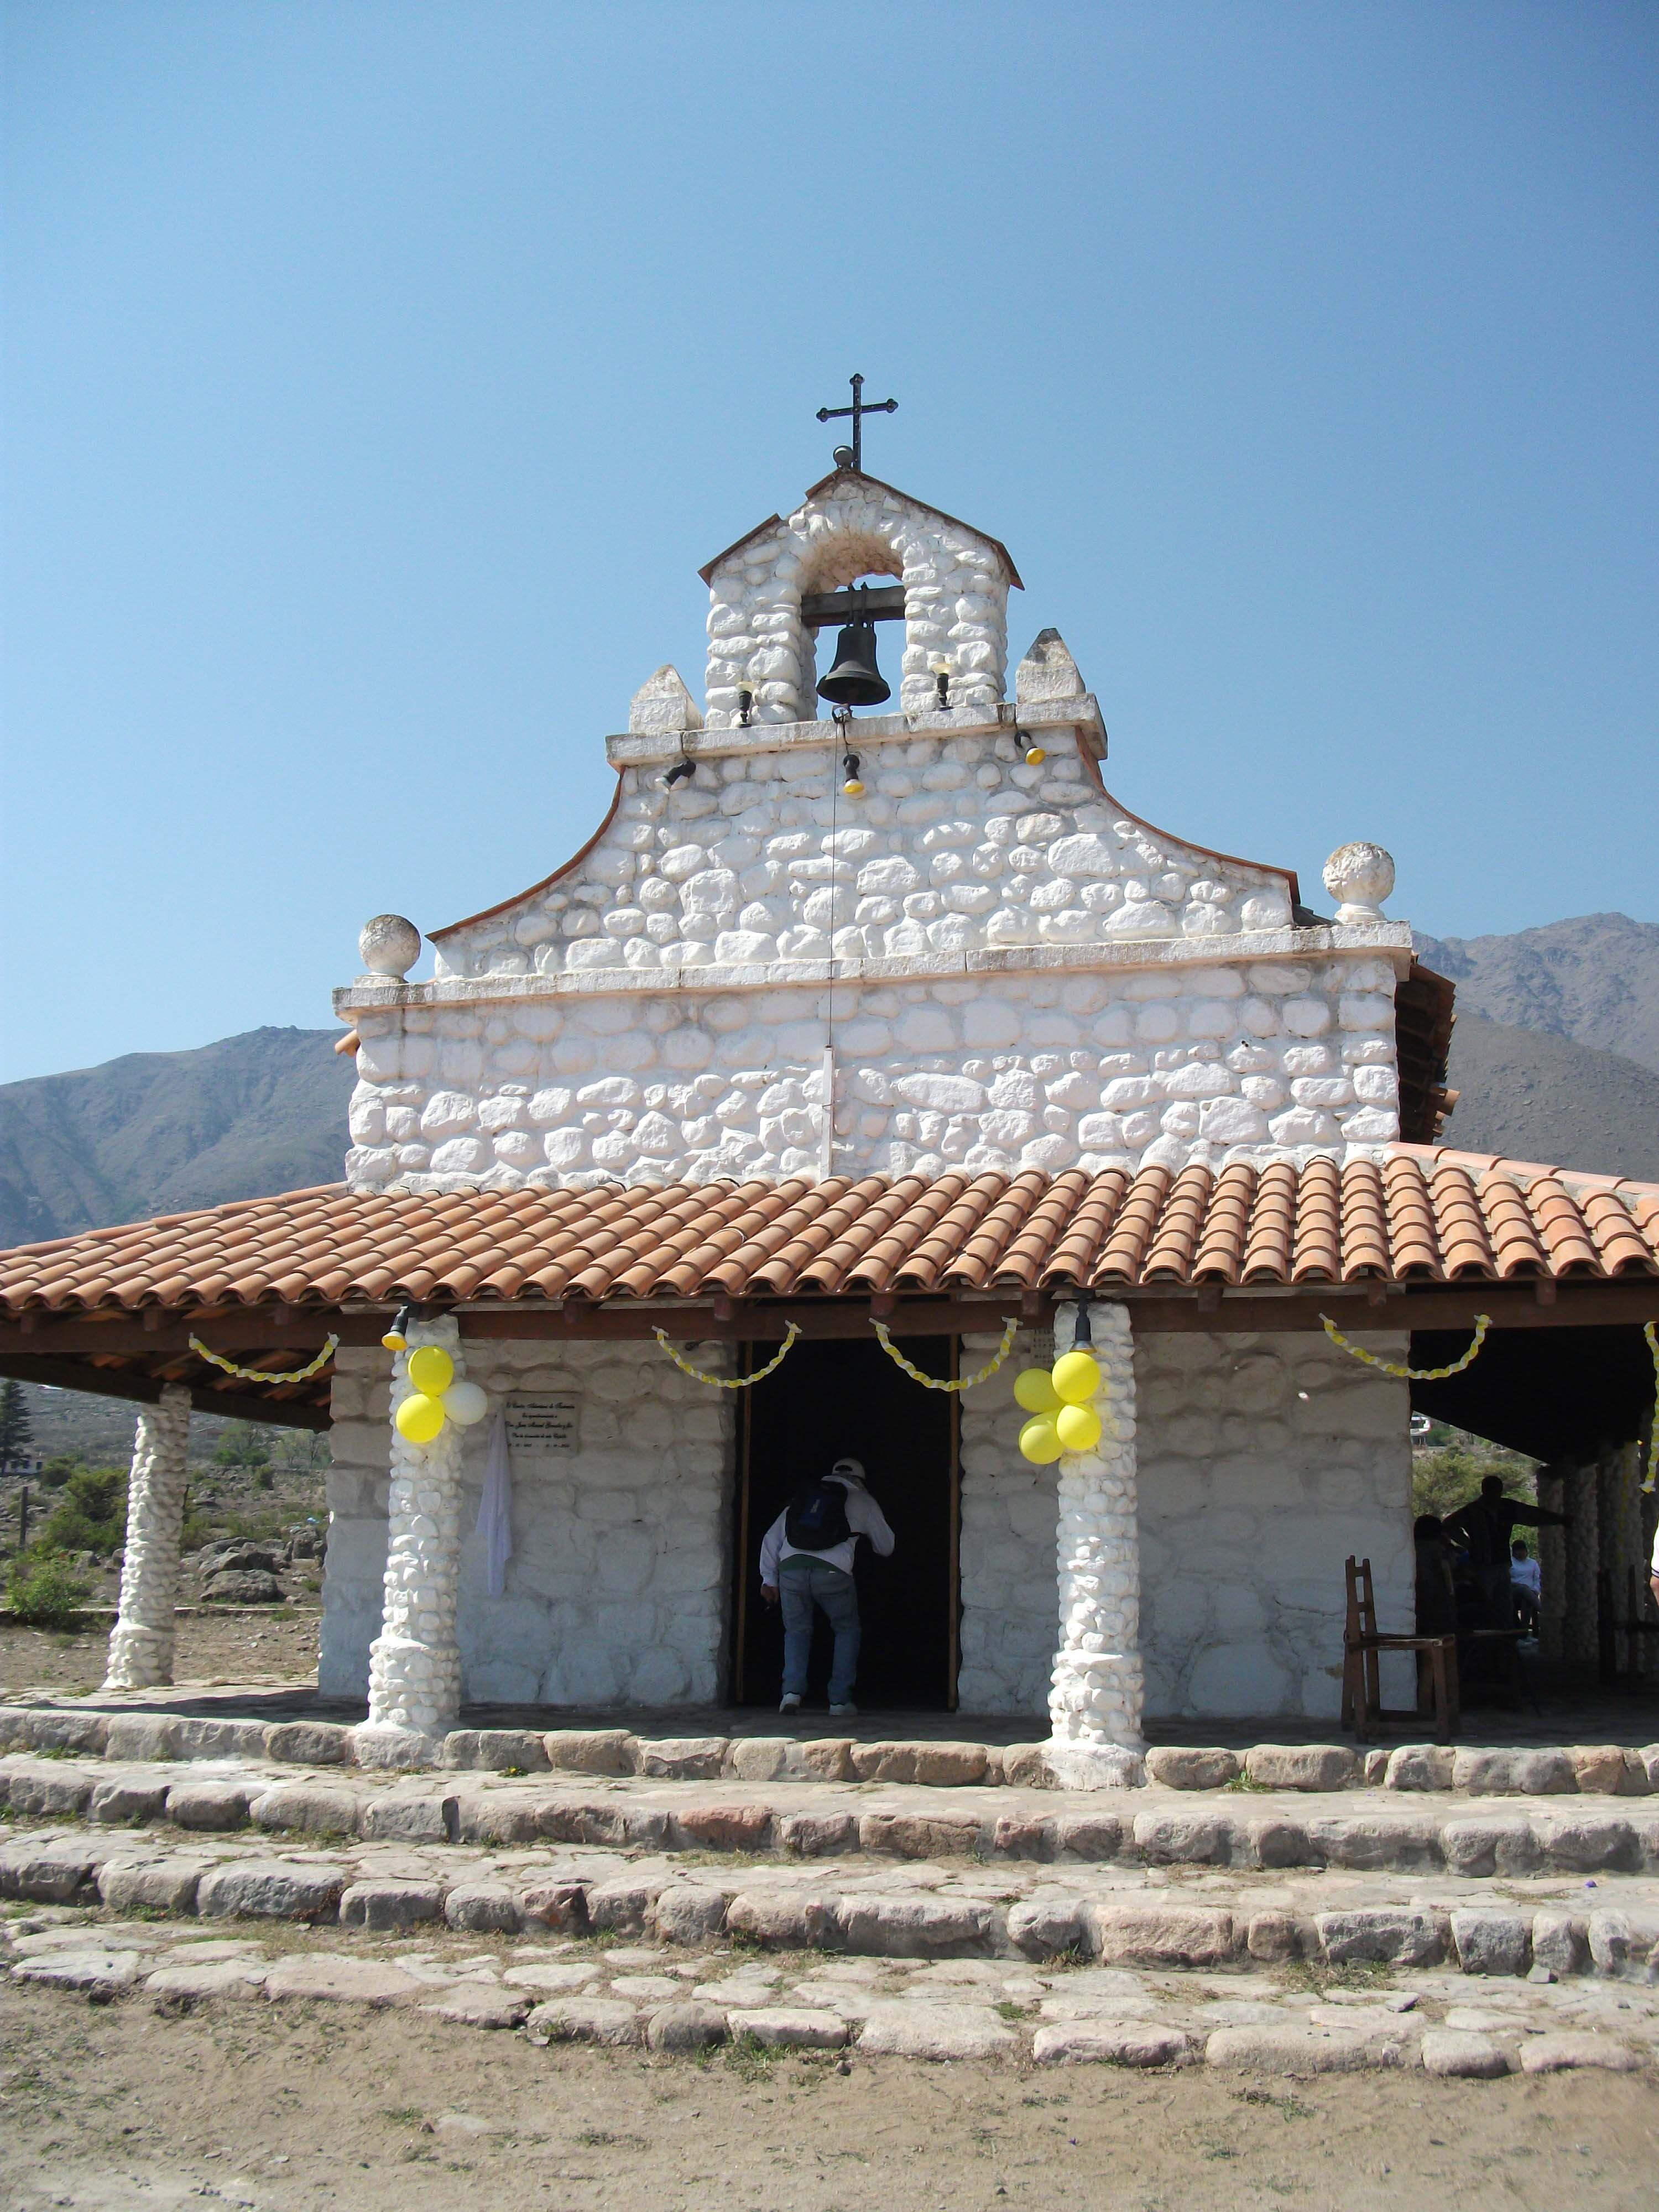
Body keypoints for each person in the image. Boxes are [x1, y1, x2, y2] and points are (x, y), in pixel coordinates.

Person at [759, 1455, 894, 1718]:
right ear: (861, 1480)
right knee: (846, 1629)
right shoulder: (863, 1500)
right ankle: (840, 1701)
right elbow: (886, 1547)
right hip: (834, 1573)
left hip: (791, 1569)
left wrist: (768, 1580)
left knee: (796, 1630)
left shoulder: (804, 1498)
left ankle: (791, 1694)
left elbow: (771, 1539)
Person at [1443, 1475, 1569, 1631]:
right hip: (1485, 1566)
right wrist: (1470, 1545)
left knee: (1502, 1606)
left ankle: (1504, 1641)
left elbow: (1533, 1515)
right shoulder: (1479, 1510)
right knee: (1489, 1605)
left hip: (1499, 1565)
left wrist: (1559, 1519)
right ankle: (1495, 1640)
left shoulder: (1496, 1509)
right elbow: (1449, 1525)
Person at [1509, 1538, 1542, 1635]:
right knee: (1523, 1589)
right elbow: (1506, 1579)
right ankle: (1542, 1610)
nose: (1522, 1553)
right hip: (1514, 1592)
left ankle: (1524, 1633)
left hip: (1530, 1593)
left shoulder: (1533, 1563)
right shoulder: (1510, 1563)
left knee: (1526, 1600)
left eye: (1523, 1551)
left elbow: (1537, 1579)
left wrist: (1536, 1590)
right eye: (1519, 1551)